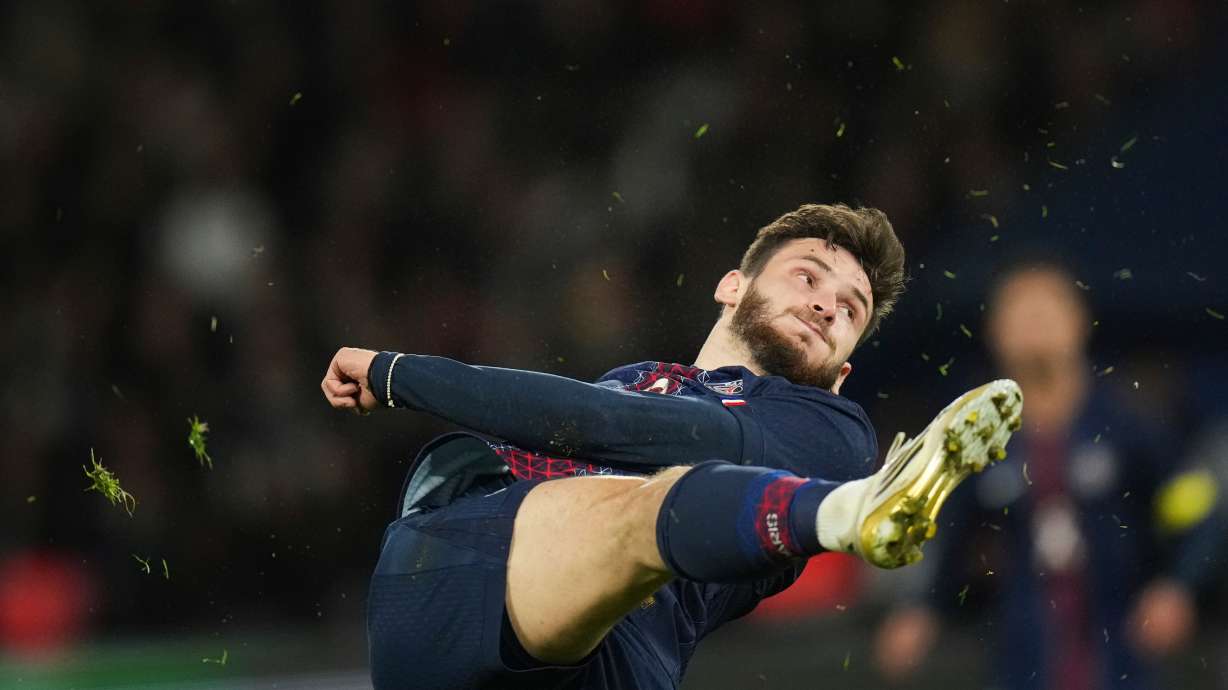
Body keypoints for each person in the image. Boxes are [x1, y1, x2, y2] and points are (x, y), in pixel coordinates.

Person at [320, 203, 1023, 690]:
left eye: (851, 310)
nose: (826, 306)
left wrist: (403, 374)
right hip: (454, 575)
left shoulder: (832, 430)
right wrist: (401, 373)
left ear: (843, 371)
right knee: (641, 497)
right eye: (808, 276)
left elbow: (649, 429)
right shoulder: (631, 383)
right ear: (733, 286)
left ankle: (853, 510)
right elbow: (606, 421)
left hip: (616, 665)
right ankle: (848, 513)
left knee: (658, 491)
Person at [874, 259, 1219, 690]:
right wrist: (921, 608)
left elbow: (1197, 509)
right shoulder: (974, 438)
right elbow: (948, 530)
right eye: (1019, 312)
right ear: (994, 331)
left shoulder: (1129, 426)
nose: (1034, 323)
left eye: (1048, 309)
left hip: (1122, 643)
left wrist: (1177, 586)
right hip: (1022, 646)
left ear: (1079, 321)